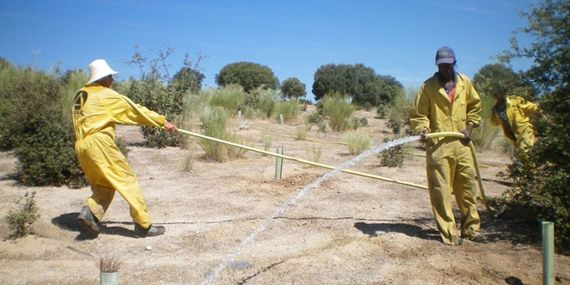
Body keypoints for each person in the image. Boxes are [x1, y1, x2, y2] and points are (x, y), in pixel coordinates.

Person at [73, 59, 177, 237]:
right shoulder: (105, 95)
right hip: (99, 144)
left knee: (103, 185)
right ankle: (143, 225)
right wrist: (162, 122)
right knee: (126, 181)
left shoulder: (81, 94)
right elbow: (135, 111)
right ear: (103, 77)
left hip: (82, 146)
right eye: (110, 76)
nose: (113, 80)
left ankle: (90, 213)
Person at [410, 46, 485, 245]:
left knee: (467, 189)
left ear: (454, 62)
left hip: (462, 146)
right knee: (441, 191)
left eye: (448, 64)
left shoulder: (465, 83)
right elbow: (419, 115)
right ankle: (450, 234)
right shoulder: (428, 87)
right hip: (438, 146)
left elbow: (475, 107)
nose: (445, 68)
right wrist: (423, 129)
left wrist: (469, 128)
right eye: (441, 65)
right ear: (437, 64)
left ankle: (471, 229)